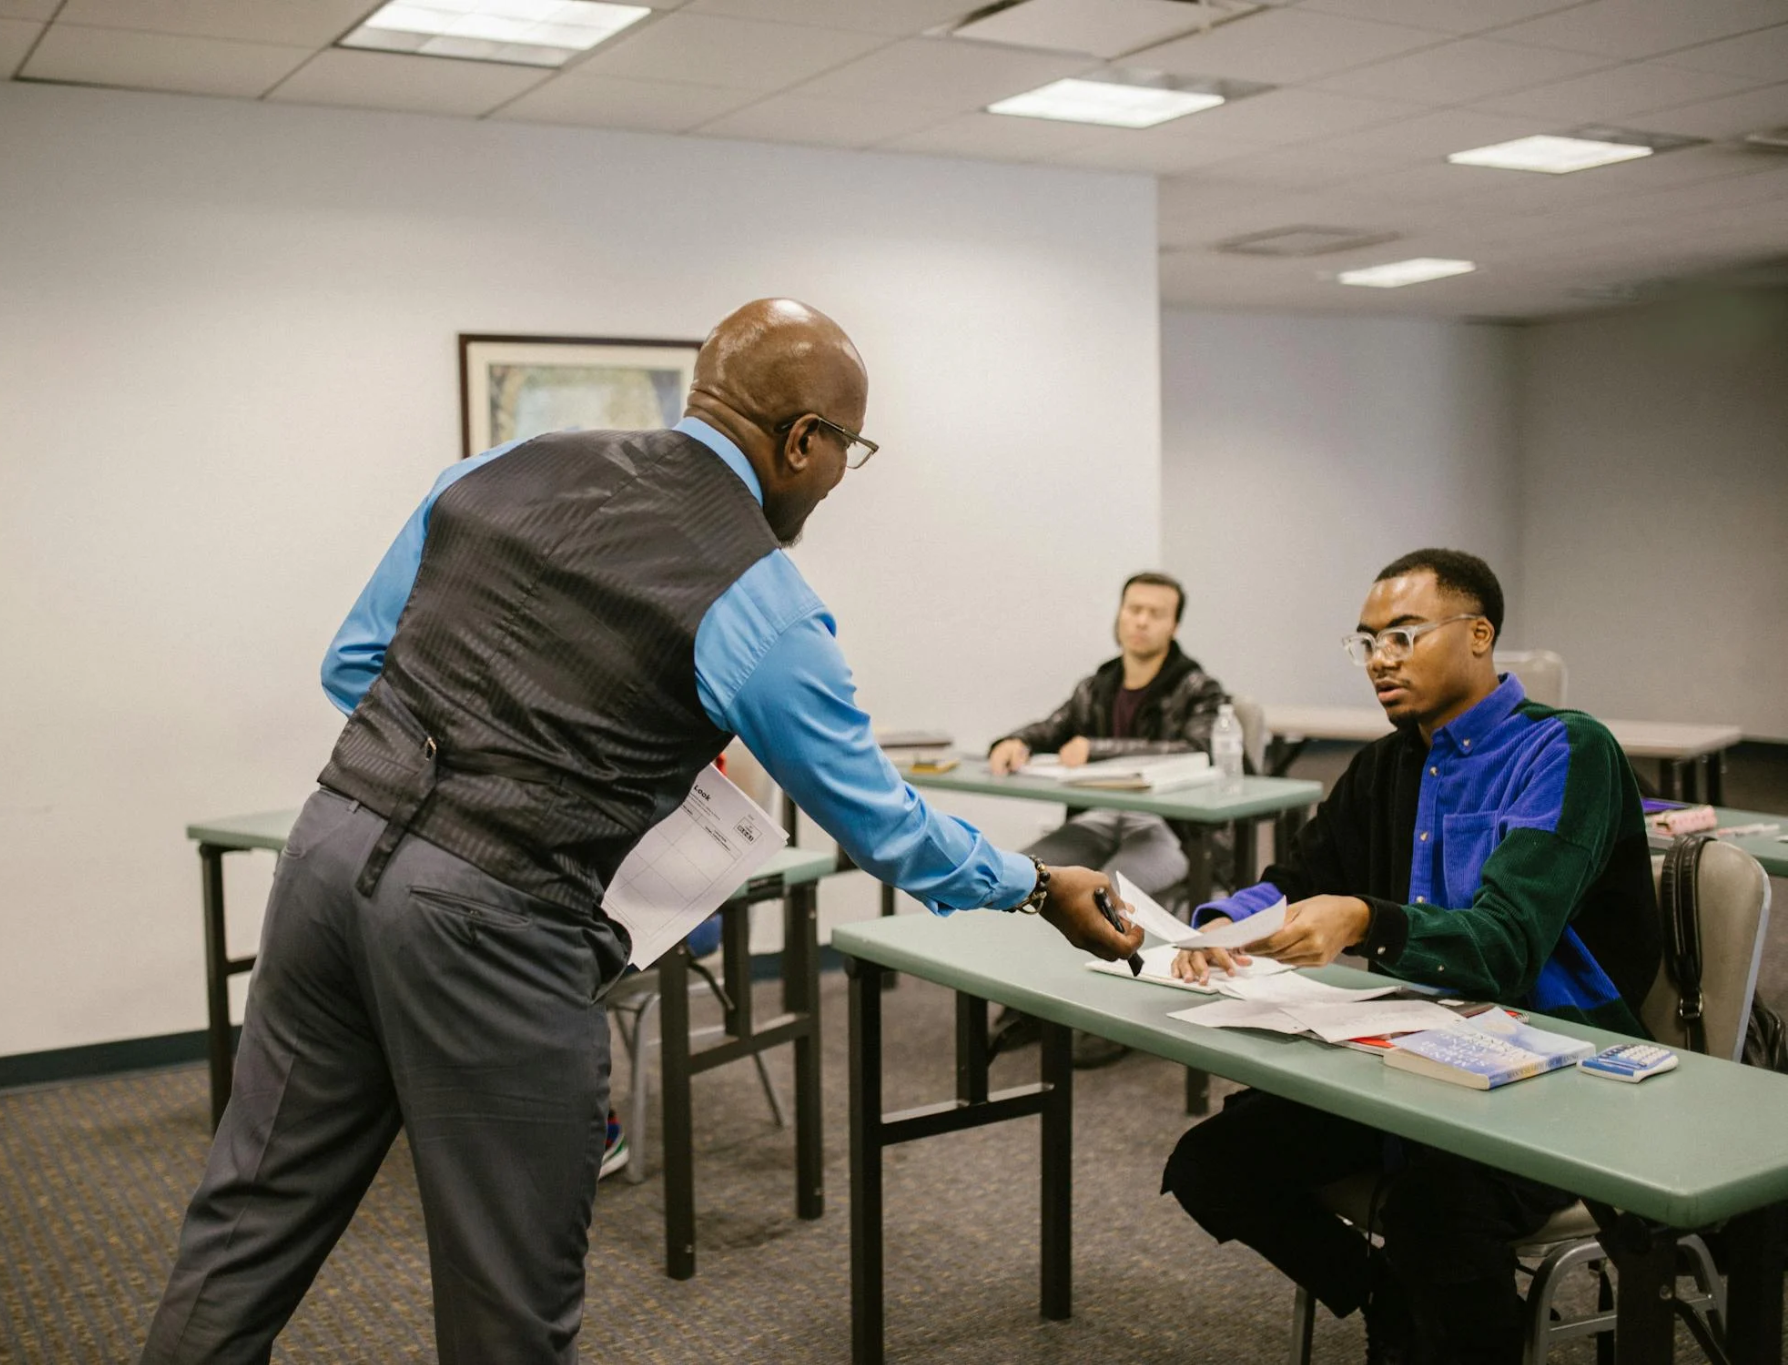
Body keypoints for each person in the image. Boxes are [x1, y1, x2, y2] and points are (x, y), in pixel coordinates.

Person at [138, 299, 1142, 1365]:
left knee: (248, 1221)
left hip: (328, 850)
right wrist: (1033, 886)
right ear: (802, 443)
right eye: (849, 448)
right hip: (489, 922)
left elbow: (355, 666)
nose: (841, 474)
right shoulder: (761, 600)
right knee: (504, 1303)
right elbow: (878, 821)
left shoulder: (505, 463)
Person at [1160, 548, 1659, 1365]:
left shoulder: (1565, 752)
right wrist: (1213, 930)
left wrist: (1367, 919)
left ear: (1478, 633)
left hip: (1557, 1067)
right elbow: (1296, 881)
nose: (1379, 659)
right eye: (1366, 642)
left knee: (1435, 1214)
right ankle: (1386, 1295)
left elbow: (1507, 944)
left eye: (1402, 634)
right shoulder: (1386, 763)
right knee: (1214, 1162)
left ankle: (1444, 1323)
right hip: (1414, 1053)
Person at [984, 571, 1227, 1065]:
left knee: (1110, 885)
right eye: (1132, 609)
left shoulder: (1198, 687)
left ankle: (1116, 1013)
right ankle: (1037, 1003)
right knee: (1031, 872)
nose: (1140, 621)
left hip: (1166, 824)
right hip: (1101, 816)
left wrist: (1097, 749)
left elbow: (1198, 748)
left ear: (1174, 626)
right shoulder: (1098, 684)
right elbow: (1053, 727)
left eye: (1154, 613)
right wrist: (1015, 741)